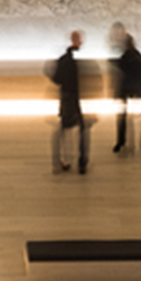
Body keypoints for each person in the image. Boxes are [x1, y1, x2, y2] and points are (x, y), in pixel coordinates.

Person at [46, 30, 90, 175]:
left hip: (67, 99)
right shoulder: (71, 60)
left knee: (65, 130)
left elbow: (57, 79)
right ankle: (80, 162)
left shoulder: (64, 59)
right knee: (79, 130)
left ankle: (62, 161)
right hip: (72, 99)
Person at [109, 23, 141, 157]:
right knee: (136, 119)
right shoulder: (137, 56)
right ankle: (140, 144)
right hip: (136, 90)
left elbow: (120, 71)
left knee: (125, 118)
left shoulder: (122, 56)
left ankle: (125, 144)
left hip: (125, 90)